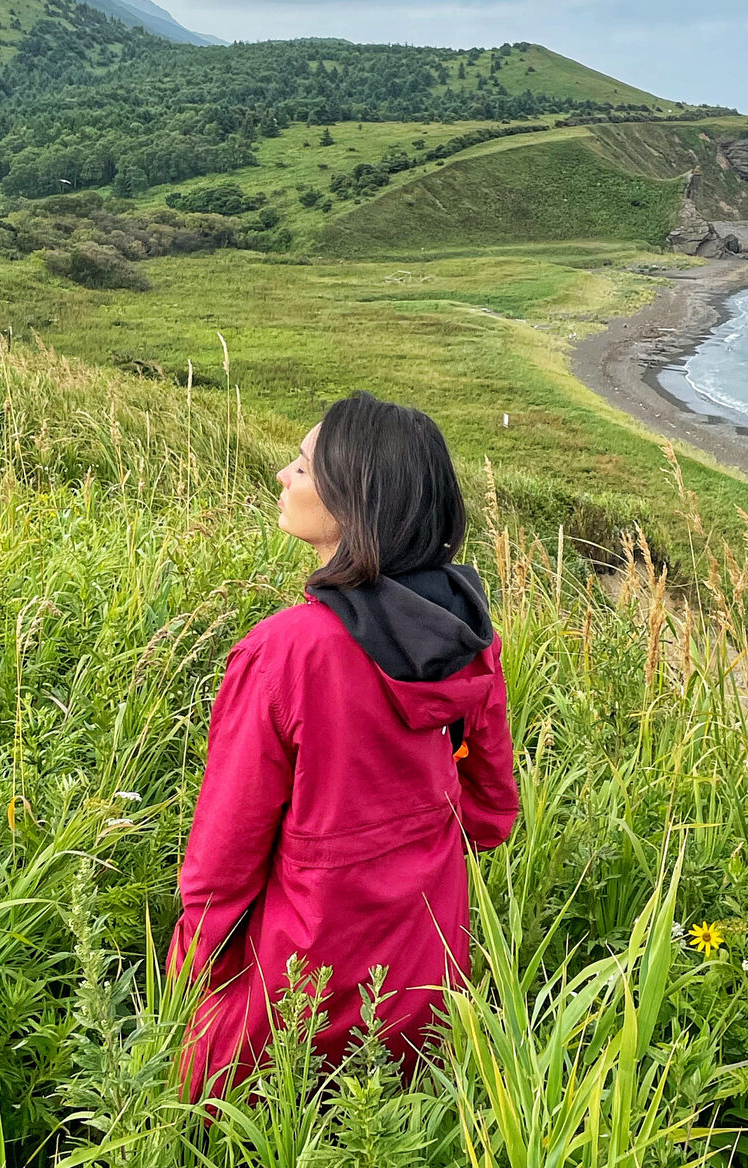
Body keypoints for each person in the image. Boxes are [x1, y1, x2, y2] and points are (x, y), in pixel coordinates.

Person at [166, 391, 519, 1100]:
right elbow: (489, 814)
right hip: (425, 970)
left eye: (302, 465)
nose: (283, 477)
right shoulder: (468, 636)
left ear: (355, 501)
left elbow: (221, 867)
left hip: (298, 982)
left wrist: (183, 984)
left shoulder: (287, 652)